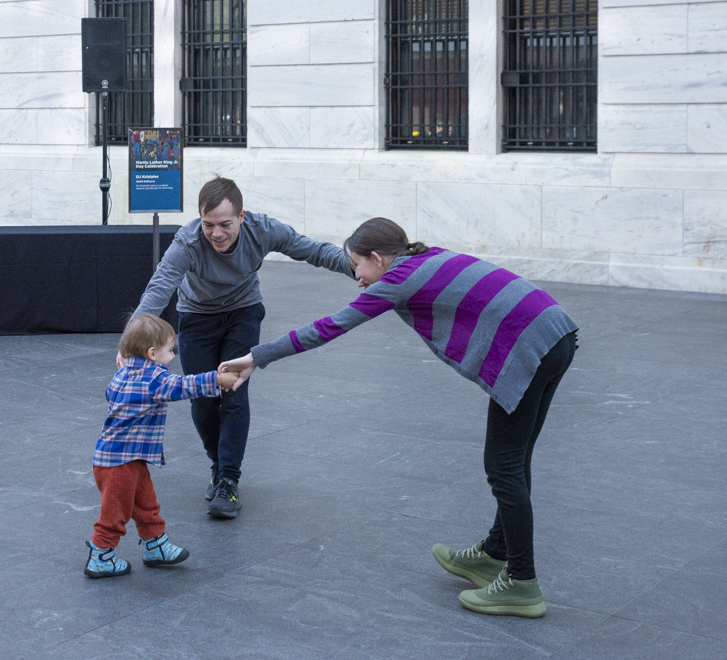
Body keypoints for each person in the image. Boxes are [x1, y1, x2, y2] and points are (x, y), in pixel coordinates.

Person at [219, 217, 578, 618]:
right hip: (556, 331)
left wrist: (257, 356)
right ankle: (496, 554)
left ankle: (522, 583)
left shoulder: (398, 279)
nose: (357, 278)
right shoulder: (425, 257)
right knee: (514, 459)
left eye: (357, 266)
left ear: (377, 258)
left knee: (503, 466)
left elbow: (329, 327)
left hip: (532, 343)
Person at [125, 176, 352, 519]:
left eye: (225, 224)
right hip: (197, 316)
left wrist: (360, 268)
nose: (216, 233)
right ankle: (218, 467)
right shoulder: (187, 242)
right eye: (208, 224)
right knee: (202, 397)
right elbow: (160, 286)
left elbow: (314, 250)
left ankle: (229, 480)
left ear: (242, 216)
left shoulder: (263, 229)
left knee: (233, 390)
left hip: (243, 312)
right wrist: (133, 341)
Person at [85, 313, 239, 578]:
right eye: (170, 350)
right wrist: (216, 379)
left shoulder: (122, 375)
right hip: (120, 464)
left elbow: (110, 396)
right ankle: (100, 557)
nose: (173, 356)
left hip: (125, 458)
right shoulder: (154, 379)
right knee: (115, 514)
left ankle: (155, 546)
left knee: (147, 504)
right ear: (152, 353)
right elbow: (183, 385)